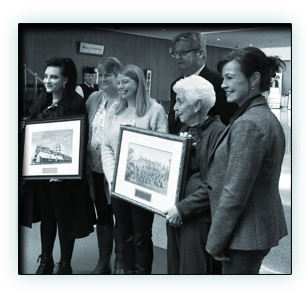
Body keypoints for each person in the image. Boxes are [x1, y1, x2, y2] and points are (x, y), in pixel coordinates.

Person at [205, 47, 288, 274]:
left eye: (230, 78)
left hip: (244, 234)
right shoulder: (258, 115)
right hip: (251, 229)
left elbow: (235, 194)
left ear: (254, 79)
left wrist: (215, 242)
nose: (223, 84)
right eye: (223, 78)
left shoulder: (248, 124)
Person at [19, 57, 95, 274]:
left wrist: (65, 171)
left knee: (65, 219)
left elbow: (79, 141)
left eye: (54, 76)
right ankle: (46, 260)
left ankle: (65, 263)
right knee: (48, 218)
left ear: (66, 79)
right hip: (42, 176)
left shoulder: (75, 104)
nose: (47, 80)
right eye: (46, 76)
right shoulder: (41, 101)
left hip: (65, 177)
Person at [101, 64, 168, 274]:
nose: (120, 86)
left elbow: (163, 148)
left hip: (143, 186)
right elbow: (106, 146)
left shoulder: (154, 110)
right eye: (118, 82)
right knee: (123, 233)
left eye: (125, 82)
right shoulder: (114, 109)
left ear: (138, 82)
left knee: (141, 236)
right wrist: (113, 177)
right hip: (118, 185)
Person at [163, 75, 225, 274]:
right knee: (175, 267)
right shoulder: (185, 128)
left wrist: (182, 209)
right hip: (176, 212)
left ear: (197, 105)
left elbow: (215, 184)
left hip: (197, 217)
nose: (174, 107)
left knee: (193, 271)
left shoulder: (219, 133)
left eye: (180, 101)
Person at [85, 57, 124, 274]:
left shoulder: (126, 100)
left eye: (107, 76)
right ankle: (103, 260)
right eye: (100, 75)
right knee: (103, 215)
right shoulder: (93, 98)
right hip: (96, 170)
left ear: (118, 76)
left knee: (120, 215)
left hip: (117, 172)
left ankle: (120, 259)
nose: (102, 80)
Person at [168, 31, 239, 135]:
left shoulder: (219, 83)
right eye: (175, 53)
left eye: (183, 52)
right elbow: (173, 122)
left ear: (200, 53)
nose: (178, 57)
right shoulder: (176, 84)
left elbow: (227, 124)